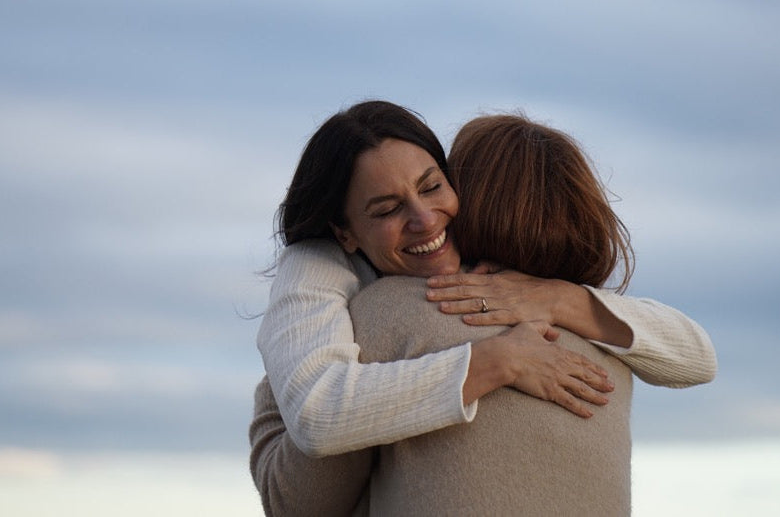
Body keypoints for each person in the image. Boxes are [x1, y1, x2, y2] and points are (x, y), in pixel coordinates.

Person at [251, 102, 716, 513]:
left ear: (461, 189)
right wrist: (501, 357)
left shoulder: (378, 317)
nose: (423, 219)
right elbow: (700, 358)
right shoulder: (609, 347)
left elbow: (300, 504)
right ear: (343, 233)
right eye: (387, 209)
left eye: (432, 186)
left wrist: (556, 297)